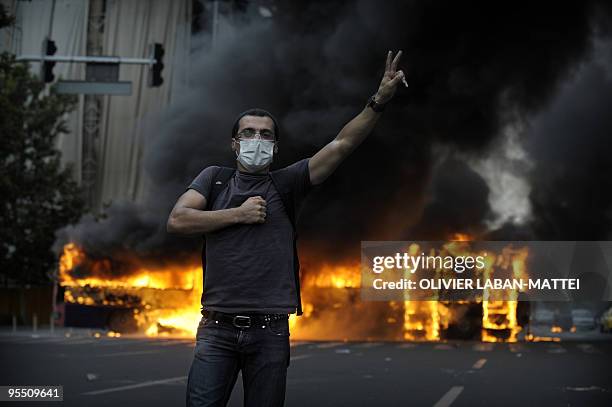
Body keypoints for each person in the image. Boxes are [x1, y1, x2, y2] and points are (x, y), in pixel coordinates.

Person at [167, 50, 406, 407]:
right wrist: (238, 214)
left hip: (270, 330)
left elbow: (341, 145)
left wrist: (378, 101)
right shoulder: (214, 180)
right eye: (248, 133)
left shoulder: (287, 183)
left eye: (265, 135)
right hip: (216, 328)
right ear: (235, 143)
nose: (256, 140)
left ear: (275, 147)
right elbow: (177, 220)